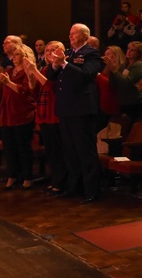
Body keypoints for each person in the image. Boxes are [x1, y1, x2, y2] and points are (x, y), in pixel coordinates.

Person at [44, 24, 104, 203]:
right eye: (69, 33)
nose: (70, 36)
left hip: (82, 109)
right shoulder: (69, 53)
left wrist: (63, 63)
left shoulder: (91, 53)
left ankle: (91, 190)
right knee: (70, 151)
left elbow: (86, 75)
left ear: (85, 36)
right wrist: (55, 65)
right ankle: (74, 187)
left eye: (73, 33)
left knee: (85, 151)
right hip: (65, 108)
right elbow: (52, 77)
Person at [23, 43, 66, 194]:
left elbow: (50, 87)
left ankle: (61, 182)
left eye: (53, 50)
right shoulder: (44, 69)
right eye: (47, 50)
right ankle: (55, 179)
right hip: (43, 114)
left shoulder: (60, 68)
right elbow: (35, 94)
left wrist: (33, 71)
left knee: (58, 150)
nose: (49, 53)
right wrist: (30, 77)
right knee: (51, 151)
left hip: (55, 114)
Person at [0, 44, 37, 190]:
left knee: (23, 147)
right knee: (9, 148)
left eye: (17, 54)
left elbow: (25, 92)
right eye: (14, 54)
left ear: (25, 56)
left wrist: (8, 82)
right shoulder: (10, 70)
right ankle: (12, 175)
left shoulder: (28, 72)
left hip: (22, 113)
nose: (14, 56)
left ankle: (27, 177)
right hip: (7, 113)